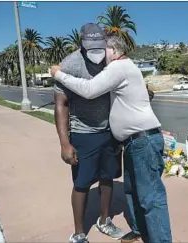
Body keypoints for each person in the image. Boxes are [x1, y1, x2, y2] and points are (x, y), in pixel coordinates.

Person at [51, 34, 172, 243]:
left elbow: (89, 90)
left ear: (114, 51)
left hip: (143, 140)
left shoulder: (118, 68)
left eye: (103, 50)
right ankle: (138, 229)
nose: (100, 56)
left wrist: (58, 74)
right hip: (133, 142)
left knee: (151, 197)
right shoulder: (126, 68)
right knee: (131, 189)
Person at [53, 23, 124, 243]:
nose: (96, 52)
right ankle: (79, 233)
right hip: (83, 134)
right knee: (82, 183)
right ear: (81, 44)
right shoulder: (69, 65)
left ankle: (104, 221)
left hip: (109, 132)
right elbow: (61, 105)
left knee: (107, 178)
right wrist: (65, 143)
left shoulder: (110, 59)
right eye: (90, 47)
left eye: (99, 46)